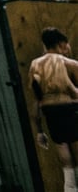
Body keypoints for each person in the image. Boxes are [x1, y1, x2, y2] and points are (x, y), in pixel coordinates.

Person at [30, 27, 78, 192]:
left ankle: (71, 188)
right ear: (61, 44)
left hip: (50, 111)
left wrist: (39, 131)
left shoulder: (35, 65)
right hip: (71, 107)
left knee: (64, 152)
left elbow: (37, 99)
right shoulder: (69, 63)